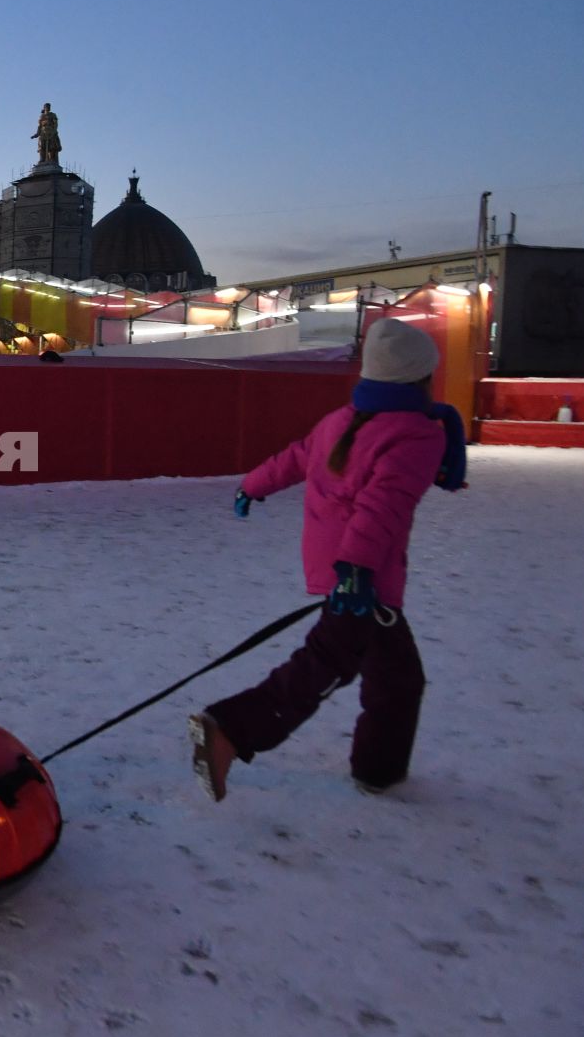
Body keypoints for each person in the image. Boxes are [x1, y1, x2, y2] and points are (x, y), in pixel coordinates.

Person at [190, 318, 465, 801]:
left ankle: (378, 770)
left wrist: (251, 484)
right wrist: (356, 572)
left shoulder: (341, 420)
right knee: (325, 667)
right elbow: (382, 507)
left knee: (396, 679)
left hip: (343, 569)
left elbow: (295, 457)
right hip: (361, 577)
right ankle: (230, 730)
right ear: (421, 377)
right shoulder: (418, 435)